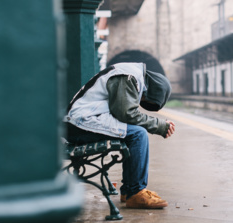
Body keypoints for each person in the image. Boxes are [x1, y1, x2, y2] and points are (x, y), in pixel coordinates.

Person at [64, 62, 175, 209]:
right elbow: (126, 113)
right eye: (145, 100)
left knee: (134, 132)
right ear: (151, 91)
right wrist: (160, 126)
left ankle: (129, 191)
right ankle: (136, 191)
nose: (141, 101)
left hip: (81, 122)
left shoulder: (129, 73)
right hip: (80, 123)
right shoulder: (128, 76)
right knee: (138, 134)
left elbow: (123, 112)